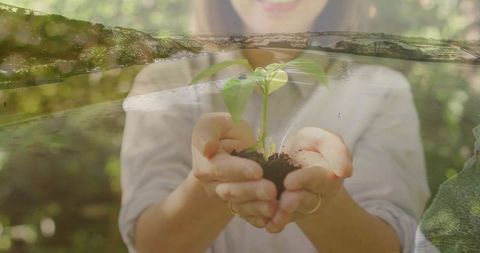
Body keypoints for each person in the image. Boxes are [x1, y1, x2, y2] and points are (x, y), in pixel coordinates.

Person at [119, 0, 430, 252]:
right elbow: (151, 243)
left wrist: (327, 203)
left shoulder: (381, 92)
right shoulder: (167, 83)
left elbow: (392, 244)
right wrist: (210, 185)